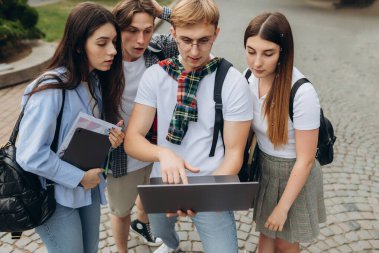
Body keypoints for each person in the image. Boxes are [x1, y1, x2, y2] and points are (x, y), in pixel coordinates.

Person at [124, 0, 253, 252]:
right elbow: (133, 139)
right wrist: (163, 153)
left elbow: (236, 153)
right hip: (164, 183)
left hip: (213, 184)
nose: (194, 51)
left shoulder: (232, 81)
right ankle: (171, 244)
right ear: (172, 33)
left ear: (217, 34)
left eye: (203, 40)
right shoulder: (156, 75)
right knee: (161, 231)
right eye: (185, 40)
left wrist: (201, 194)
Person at [15, 3, 125, 252]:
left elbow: (76, 137)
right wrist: (78, 178)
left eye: (114, 42)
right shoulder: (51, 89)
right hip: (53, 194)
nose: (113, 51)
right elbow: (29, 154)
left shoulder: (94, 80)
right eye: (102, 43)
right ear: (78, 45)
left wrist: (109, 139)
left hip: (84, 189)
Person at [243, 12, 326, 253]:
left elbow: (306, 159)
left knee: (285, 242)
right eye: (251, 51)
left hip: (294, 174)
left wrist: (283, 207)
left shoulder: (301, 92)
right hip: (265, 168)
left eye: (268, 53)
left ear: (283, 52)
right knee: (266, 237)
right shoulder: (247, 77)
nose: (257, 62)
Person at [108, 0, 178, 251]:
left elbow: (195, 26)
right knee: (120, 209)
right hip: (121, 153)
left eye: (147, 30)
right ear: (117, 29)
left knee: (149, 196)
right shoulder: (106, 61)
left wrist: (163, 11)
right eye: (132, 30)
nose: (141, 40)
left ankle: (143, 223)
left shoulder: (158, 50)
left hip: (157, 146)